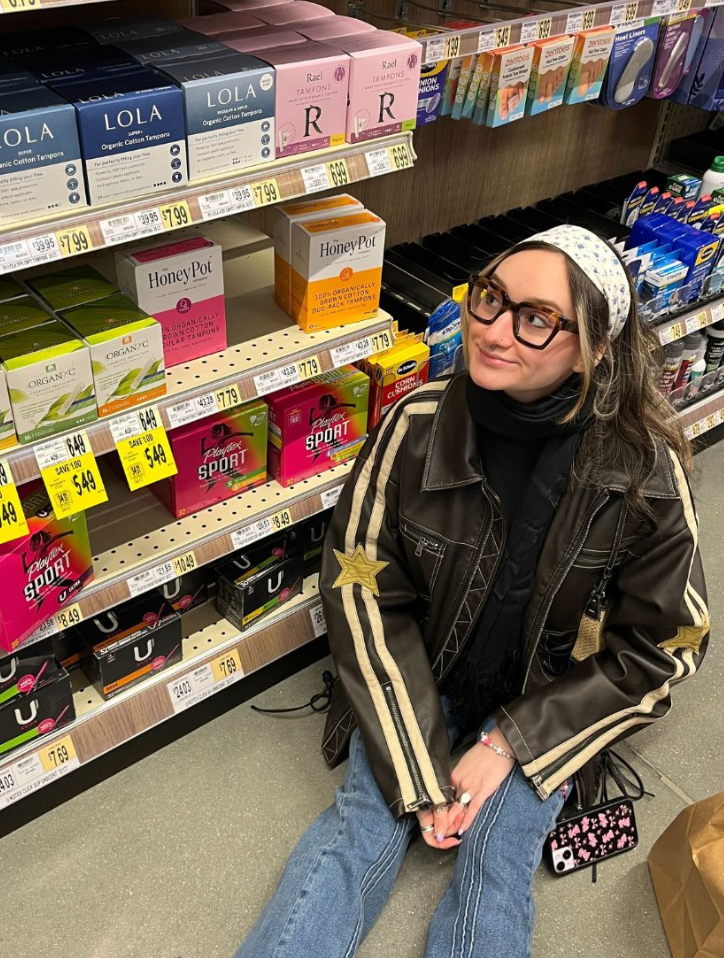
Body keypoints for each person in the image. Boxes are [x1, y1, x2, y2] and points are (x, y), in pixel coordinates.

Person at [234, 225, 709, 958]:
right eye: (491, 298)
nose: (492, 330)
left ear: (595, 345)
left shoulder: (646, 472)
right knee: (362, 825)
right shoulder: (415, 425)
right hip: (418, 675)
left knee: (498, 853)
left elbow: (663, 648)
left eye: (537, 318)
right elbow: (359, 586)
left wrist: (512, 741)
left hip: (547, 698)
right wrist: (412, 753)